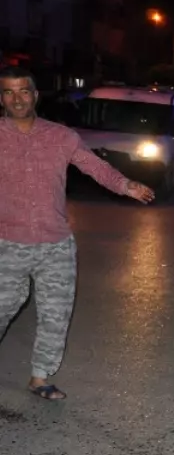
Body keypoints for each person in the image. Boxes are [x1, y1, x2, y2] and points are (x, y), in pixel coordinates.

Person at [0, 67, 155, 401]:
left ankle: (40, 378)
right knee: (3, 307)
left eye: (23, 91)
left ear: (35, 95)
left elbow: (95, 167)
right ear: (2, 99)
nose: (17, 99)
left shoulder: (61, 136)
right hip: (7, 244)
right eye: (9, 92)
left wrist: (127, 185)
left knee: (56, 314)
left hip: (55, 245)